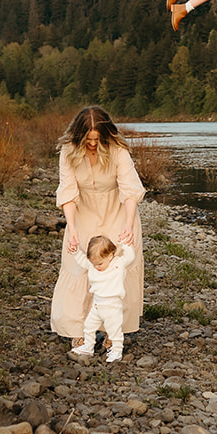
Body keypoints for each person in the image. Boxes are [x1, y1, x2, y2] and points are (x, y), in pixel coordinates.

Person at [49, 106, 145, 351]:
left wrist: (128, 225)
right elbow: (68, 192)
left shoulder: (118, 151)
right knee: (77, 266)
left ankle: (113, 331)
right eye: (88, 139)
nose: (92, 144)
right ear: (79, 136)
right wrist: (71, 228)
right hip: (83, 213)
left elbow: (130, 189)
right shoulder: (69, 152)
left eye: (97, 139)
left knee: (116, 268)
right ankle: (78, 332)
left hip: (117, 211)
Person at [66, 233, 135, 363]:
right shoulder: (93, 266)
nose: (97, 267)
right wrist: (75, 252)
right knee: (89, 326)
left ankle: (116, 350)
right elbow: (82, 261)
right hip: (97, 305)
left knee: (114, 330)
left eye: (99, 263)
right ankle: (88, 346)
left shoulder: (118, 264)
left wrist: (126, 245)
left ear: (110, 256)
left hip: (112, 306)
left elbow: (130, 257)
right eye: (94, 263)